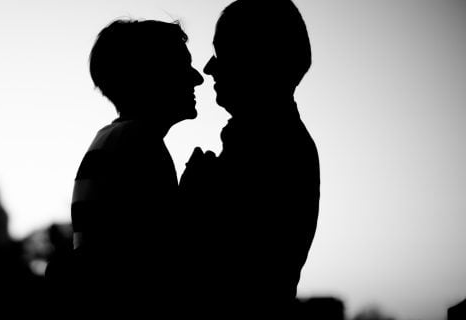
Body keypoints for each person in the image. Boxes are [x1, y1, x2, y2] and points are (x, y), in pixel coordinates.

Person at [45, 19, 204, 314]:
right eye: (183, 65)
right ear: (151, 75)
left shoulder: (112, 139)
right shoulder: (140, 144)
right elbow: (159, 258)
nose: (197, 78)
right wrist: (193, 196)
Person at [179, 0, 320, 318]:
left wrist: (190, 198)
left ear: (256, 59)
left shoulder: (271, 148)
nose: (208, 68)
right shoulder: (267, 141)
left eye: (221, 53)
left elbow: (213, 268)